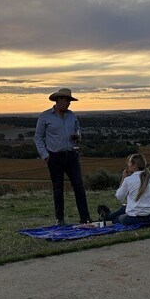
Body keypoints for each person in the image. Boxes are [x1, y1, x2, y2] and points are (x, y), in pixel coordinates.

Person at [34, 88, 91, 225]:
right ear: (58, 100)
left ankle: (85, 218)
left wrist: (78, 137)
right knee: (58, 188)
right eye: (66, 100)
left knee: (79, 186)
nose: (68, 103)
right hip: (54, 157)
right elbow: (38, 138)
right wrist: (46, 156)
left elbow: (78, 133)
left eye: (69, 101)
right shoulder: (45, 116)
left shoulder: (72, 116)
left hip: (71, 155)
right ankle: (60, 219)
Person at [99, 153, 150, 226]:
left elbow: (119, 196)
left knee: (117, 218)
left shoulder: (128, 180)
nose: (128, 164)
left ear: (135, 165)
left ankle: (106, 217)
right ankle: (107, 215)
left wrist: (123, 178)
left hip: (133, 219)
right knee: (124, 207)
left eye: (129, 162)